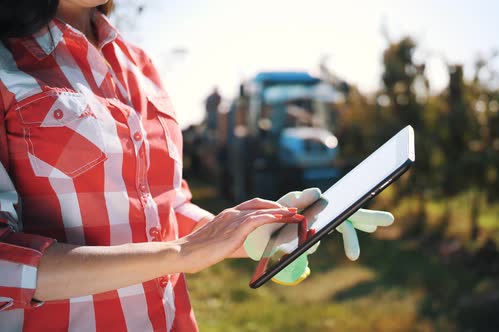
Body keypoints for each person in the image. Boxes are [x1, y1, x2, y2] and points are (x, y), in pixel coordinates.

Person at [0, 1, 394, 331]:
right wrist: (180, 252)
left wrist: (250, 231)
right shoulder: (7, 60)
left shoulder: (139, 65)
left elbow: (166, 206)